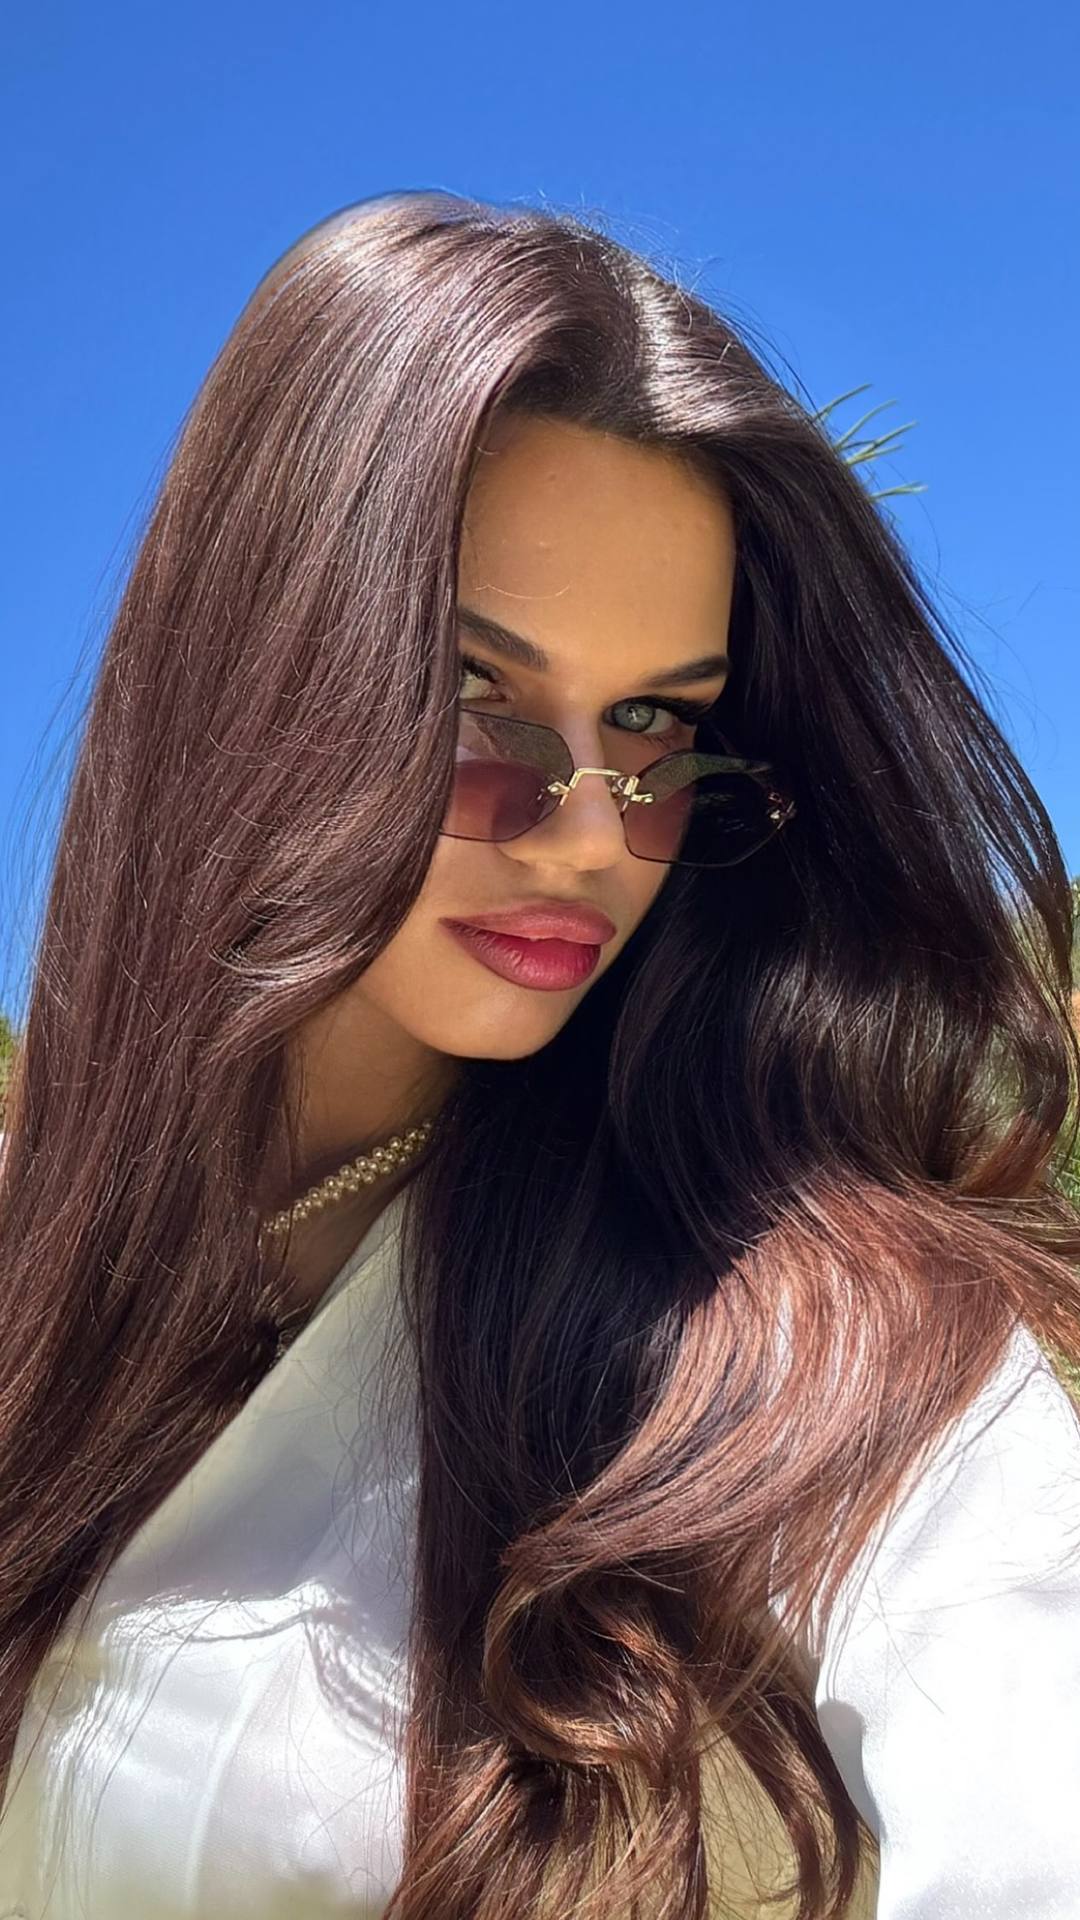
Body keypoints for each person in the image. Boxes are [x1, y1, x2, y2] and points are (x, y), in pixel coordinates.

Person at [0, 189, 1078, 1920]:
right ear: (248, 679)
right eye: (473, 700)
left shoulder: (822, 1335)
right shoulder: (42, 1269)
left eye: (653, 721)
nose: (588, 833)